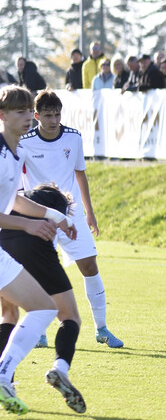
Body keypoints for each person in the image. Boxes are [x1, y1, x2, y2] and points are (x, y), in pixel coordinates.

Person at [0, 85, 80, 416]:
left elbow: (15, 200)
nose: (25, 117)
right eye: (17, 112)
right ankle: (4, 375)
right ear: (2, 116)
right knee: (45, 309)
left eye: (26, 111)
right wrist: (29, 226)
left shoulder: (14, 154)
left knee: (37, 309)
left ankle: (5, 376)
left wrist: (54, 216)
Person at [24, 90, 125, 349]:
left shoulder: (73, 138)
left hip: (71, 213)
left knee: (90, 266)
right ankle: (40, 332)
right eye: (48, 115)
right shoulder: (23, 142)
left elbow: (81, 175)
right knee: (38, 273)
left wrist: (89, 212)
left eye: (57, 114)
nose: (54, 120)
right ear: (37, 116)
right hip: (40, 216)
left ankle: (101, 329)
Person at [0, 185, 87, 413]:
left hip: (4, 242)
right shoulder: (57, 201)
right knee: (69, 316)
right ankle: (60, 368)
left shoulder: (21, 194)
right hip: (35, 244)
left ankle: (5, 380)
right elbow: (52, 223)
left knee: (8, 314)